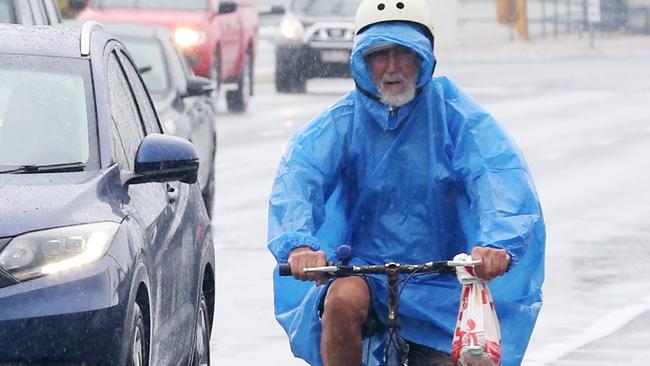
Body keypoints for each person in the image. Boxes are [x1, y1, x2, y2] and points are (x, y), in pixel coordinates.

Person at [267, 0, 545, 365]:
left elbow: (496, 175)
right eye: (380, 54)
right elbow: (298, 178)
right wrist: (298, 245)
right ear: (362, 62)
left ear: (425, 58)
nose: (392, 67)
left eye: (405, 53)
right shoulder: (341, 123)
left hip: (446, 281)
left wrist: (497, 243)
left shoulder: (456, 116)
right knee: (341, 302)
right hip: (363, 271)